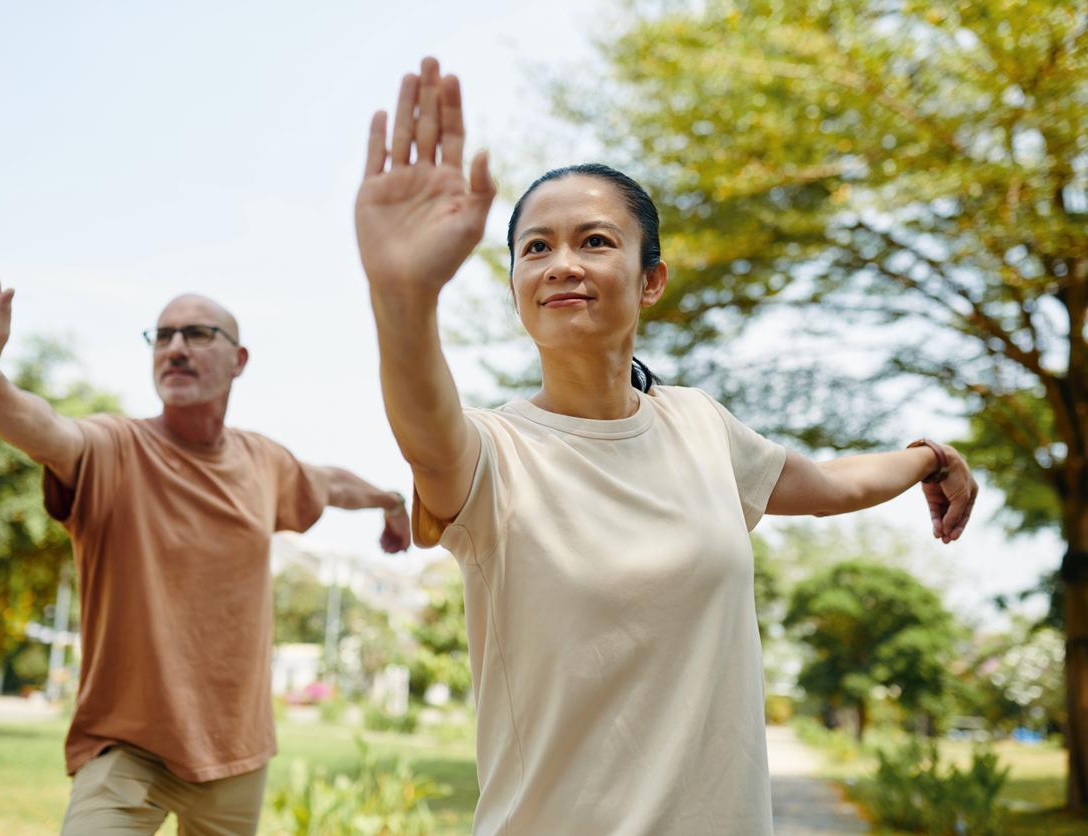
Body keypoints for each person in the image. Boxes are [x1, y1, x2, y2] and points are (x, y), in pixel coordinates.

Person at [355, 58, 979, 835]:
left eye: (594, 241)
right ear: (515, 286)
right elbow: (425, 432)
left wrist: (932, 459)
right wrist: (404, 297)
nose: (562, 264)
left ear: (651, 280)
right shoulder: (492, 454)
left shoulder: (699, 424)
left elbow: (829, 487)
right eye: (536, 248)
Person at [0, 243, 411, 835]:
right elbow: (45, 428)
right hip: (125, 750)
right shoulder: (114, 449)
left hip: (235, 754)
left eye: (197, 334)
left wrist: (391, 502)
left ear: (238, 360)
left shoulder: (263, 462)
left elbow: (331, 482)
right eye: (162, 337)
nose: (175, 348)